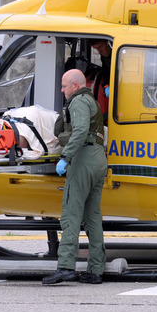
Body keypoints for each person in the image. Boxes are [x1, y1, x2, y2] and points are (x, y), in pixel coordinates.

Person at [42, 69, 108, 285]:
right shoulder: (93, 102)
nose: (62, 90)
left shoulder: (79, 102)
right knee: (92, 217)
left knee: (71, 213)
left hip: (83, 158)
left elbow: (80, 130)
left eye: (64, 86)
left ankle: (65, 266)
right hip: (99, 158)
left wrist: (66, 157)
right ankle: (96, 269)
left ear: (75, 86)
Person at [88, 39, 112, 124]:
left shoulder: (118, 54)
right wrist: (106, 86)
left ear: (109, 43)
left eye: (100, 47)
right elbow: (106, 73)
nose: (99, 51)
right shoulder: (104, 58)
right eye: (96, 49)